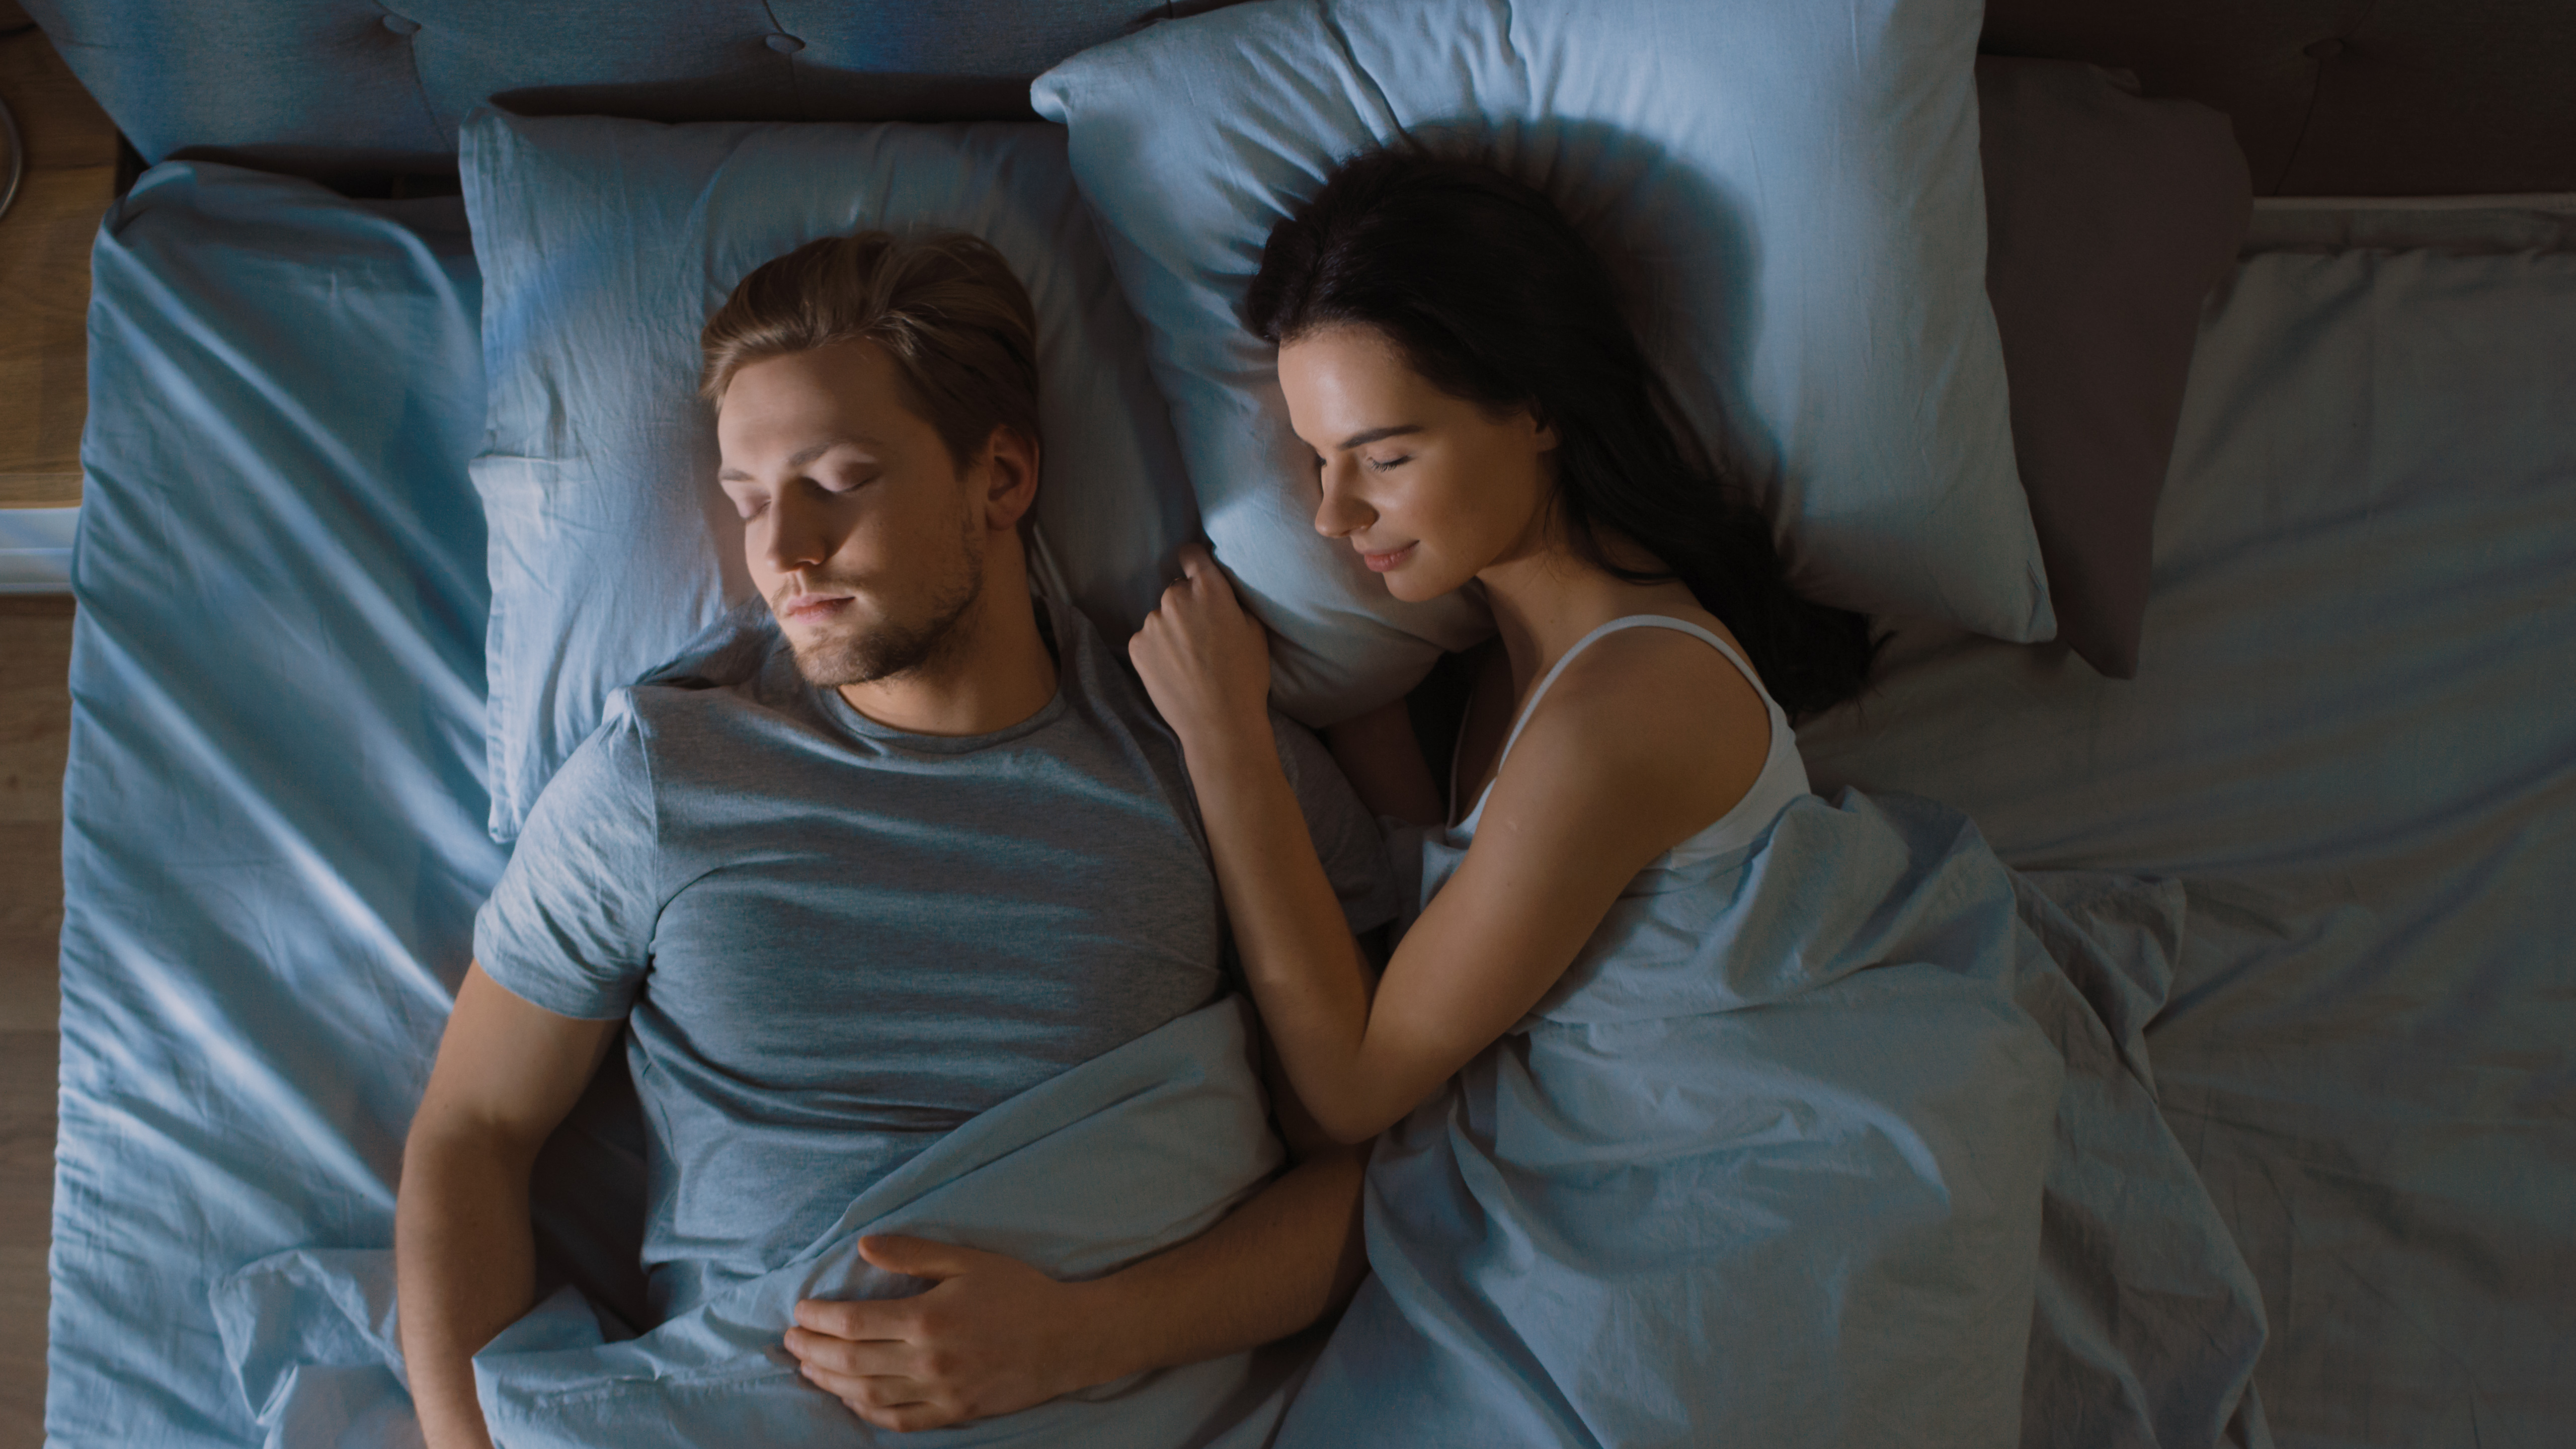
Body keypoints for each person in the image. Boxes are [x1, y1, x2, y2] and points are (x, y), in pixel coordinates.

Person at [396, 229, 1393, 1449]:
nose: (782, 551)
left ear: (1004, 477)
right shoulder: (661, 777)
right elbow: (471, 1133)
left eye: (840, 478)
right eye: (748, 498)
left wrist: (1088, 1335)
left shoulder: (1206, 759)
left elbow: (1375, 1170)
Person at [1130, 150, 2062, 1444]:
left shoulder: (1620, 710)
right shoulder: (1494, 667)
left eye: (1383, 456)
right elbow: (1425, 906)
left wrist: (1221, 735)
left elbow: (1349, 1085)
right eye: (1312, 457)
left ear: (1540, 411)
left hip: (1731, 1195)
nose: (1334, 512)